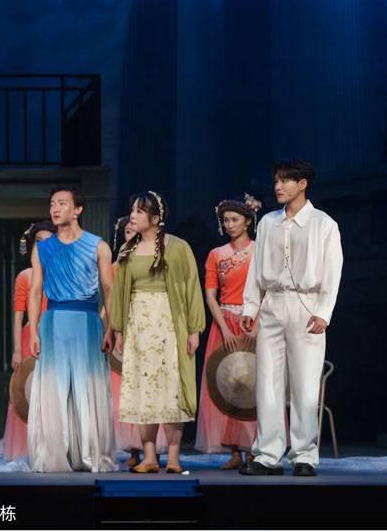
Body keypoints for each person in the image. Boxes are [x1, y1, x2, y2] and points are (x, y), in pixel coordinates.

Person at [239, 159, 343, 477]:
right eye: (276, 181)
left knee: (305, 384)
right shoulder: (268, 223)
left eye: (284, 180)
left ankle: (304, 455)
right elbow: (256, 268)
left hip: (307, 306)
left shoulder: (323, 223)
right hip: (273, 303)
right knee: (268, 383)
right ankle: (268, 454)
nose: (277, 186)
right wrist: (250, 307)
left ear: (302, 184)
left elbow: (332, 271)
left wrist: (323, 312)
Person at [109, 191, 205, 474]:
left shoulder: (178, 247)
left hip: (170, 325)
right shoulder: (127, 250)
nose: (133, 216)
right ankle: (149, 457)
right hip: (138, 327)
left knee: (171, 390)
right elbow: (120, 294)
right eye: (132, 210)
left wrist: (194, 329)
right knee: (143, 390)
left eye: (139, 211)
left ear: (155, 218)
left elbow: (191, 287)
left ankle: (173, 458)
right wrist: (119, 331)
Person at [27, 186, 116, 473]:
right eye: (52, 203)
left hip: (87, 321)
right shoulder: (42, 248)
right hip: (53, 322)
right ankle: (54, 454)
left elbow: (109, 289)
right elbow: (35, 291)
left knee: (87, 387)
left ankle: (91, 454)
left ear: (77, 209)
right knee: (53, 388)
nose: (55, 208)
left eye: (62, 203)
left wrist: (111, 327)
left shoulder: (98, 245)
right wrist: (33, 331)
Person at [195, 195, 262, 468]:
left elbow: (268, 291)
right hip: (224, 324)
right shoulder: (216, 254)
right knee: (227, 384)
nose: (230, 225)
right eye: (226, 220)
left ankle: (254, 449)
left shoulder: (260, 251)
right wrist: (224, 328)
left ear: (248, 221)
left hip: (252, 322)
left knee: (253, 384)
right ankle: (234, 452)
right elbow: (210, 295)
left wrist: (257, 326)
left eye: (235, 219)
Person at [1, 220, 53, 461]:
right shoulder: (25, 276)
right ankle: (27, 448)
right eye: (38, 241)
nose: (42, 246)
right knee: (27, 391)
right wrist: (17, 350)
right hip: (29, 337)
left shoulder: (61, 274)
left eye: (48, 241)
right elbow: (17, 316)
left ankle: (52, 448)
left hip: (55, 335)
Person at [108, 217, 143, 467]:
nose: (131, 235)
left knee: (145, 386)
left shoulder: (151, 257)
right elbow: (111, 300)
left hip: (146, 323)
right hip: (123, 325)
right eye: (127, 232)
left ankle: (150, 448)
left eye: (134, 231)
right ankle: (133, 450)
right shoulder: (116, 264)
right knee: (123, 391)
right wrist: (106, 327)